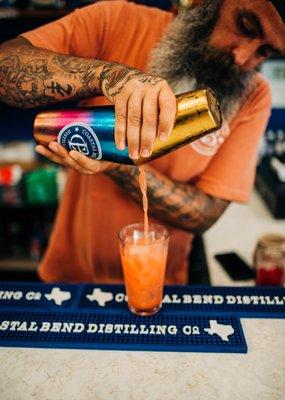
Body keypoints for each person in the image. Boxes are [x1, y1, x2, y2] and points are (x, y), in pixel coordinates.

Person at [0, 0, 285, 284]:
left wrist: (118, 165)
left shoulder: (253, 97)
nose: (242, 57)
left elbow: (205, 214)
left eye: (266, 51)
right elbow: (5, 66)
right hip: (72, 277)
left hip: (163, 286)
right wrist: (109, 76)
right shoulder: (116, 20)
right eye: (245, 27)